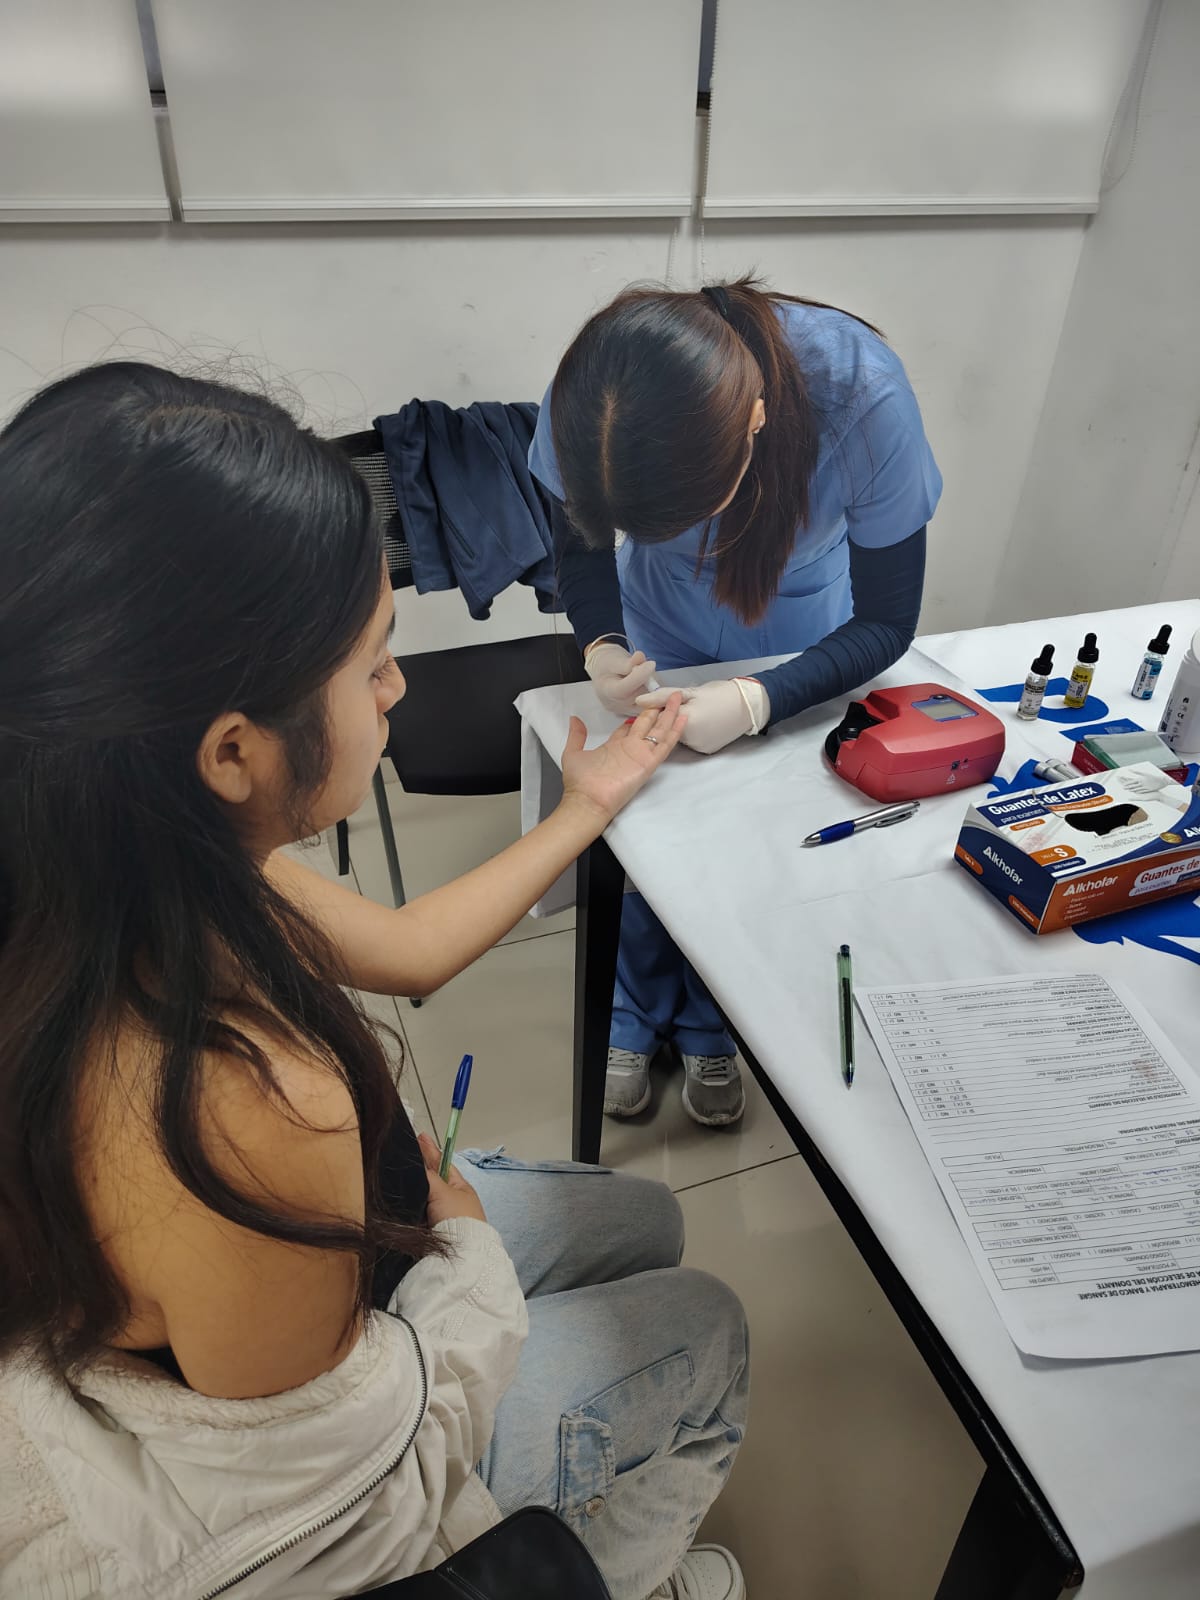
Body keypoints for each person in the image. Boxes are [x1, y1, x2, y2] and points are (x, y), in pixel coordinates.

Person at [0, 364, 750, 1600]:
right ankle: (623, 1565)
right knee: (709, 1322)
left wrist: (586, 805)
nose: (398, 688)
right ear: (232, 750)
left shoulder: (117, 854)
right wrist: (467, 1261)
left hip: (274, 1327)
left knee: (645, 1219)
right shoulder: (245, 1109)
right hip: (293, 1512)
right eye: (373, 663)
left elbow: (405, 948)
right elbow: (357, 1517)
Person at [530, 275, 942, 1126]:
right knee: (649, 828)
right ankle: (634, 1007)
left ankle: (711, 1018)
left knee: (751, 846)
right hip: (656, 631)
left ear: (754, 423)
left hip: (800, 644)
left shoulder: (865, 399)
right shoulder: (595, 399)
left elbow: (888, 620)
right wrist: (602, 639)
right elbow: (581, 542)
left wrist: (761, 699)